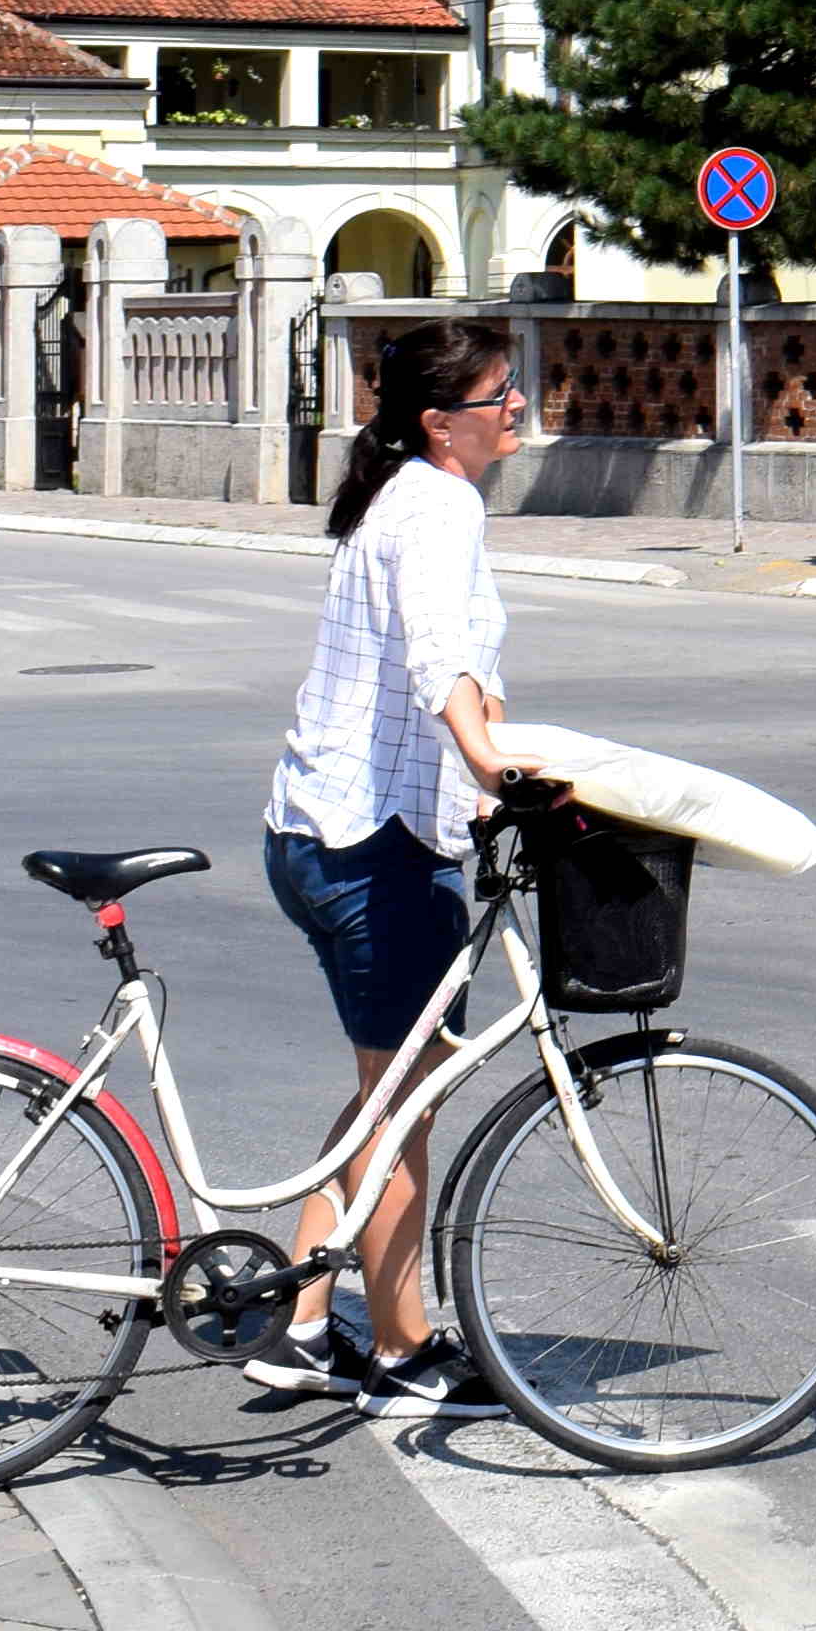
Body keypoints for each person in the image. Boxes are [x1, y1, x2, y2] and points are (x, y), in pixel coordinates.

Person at [250, 316, 553, 1416]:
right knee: (403, 1109)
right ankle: (401, 1348)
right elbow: (438, 650)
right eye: (499, 395)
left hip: (327, 831)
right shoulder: (435, 500)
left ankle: (297, 1325)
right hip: (373, 844)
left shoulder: (408, 496)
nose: (517, 406)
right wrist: (486, 759)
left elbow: (470, 664)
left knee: (387, 1092)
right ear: (442, 421)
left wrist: (496, 764)